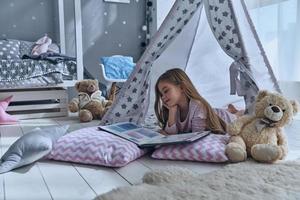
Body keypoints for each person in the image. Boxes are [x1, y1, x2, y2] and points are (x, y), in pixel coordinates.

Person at [154, 68, 237, 135]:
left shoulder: (197, 106)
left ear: (182, 87)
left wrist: (168, 135)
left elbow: (196, 135)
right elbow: (171, 134)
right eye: (161, 94)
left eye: (166, 91)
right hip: (208, 112)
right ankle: (230, 109)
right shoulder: (172, 108)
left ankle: (233, 111)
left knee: (237, 116)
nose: (163, 97)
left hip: (222, 116)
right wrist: (172, 111)